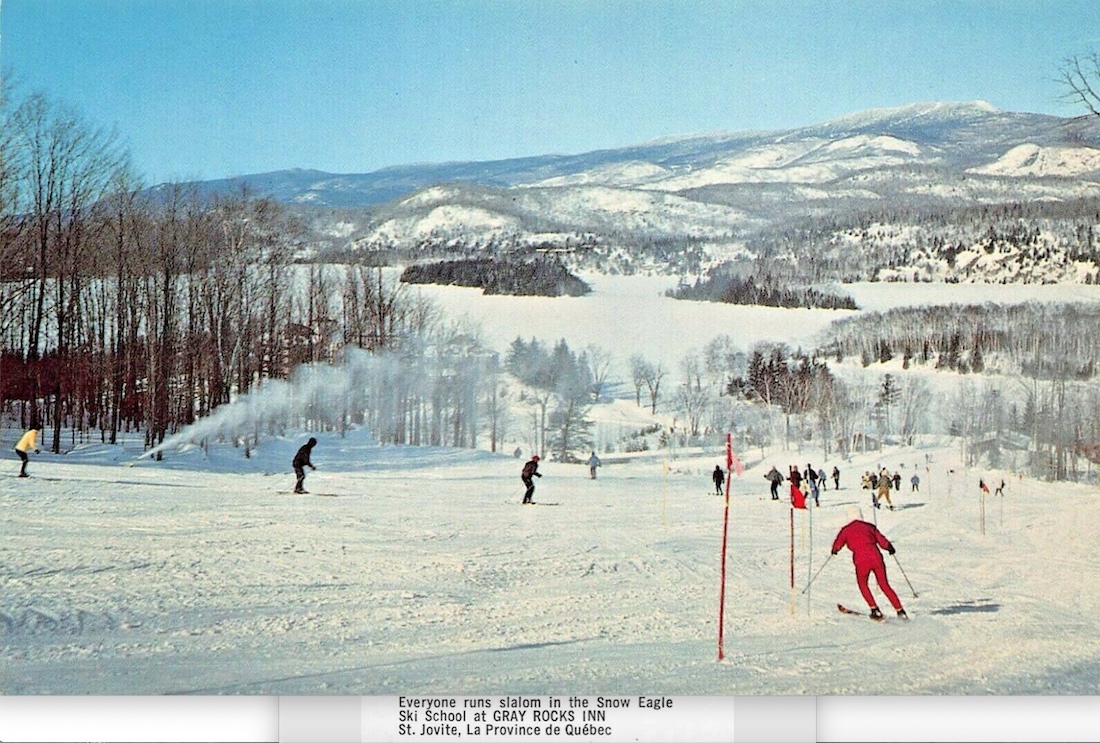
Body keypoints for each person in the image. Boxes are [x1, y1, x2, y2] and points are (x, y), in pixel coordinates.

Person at [831, 506, 907, 621]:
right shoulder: (869, 527)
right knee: (884, 585)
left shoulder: (846, 530)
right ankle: (900, 610)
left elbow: (838, 544)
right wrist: (889, 547)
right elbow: (882, 540)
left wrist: (835, 550)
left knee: (863, 584)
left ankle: (874, 609)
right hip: (876, 557)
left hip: (861, 561)